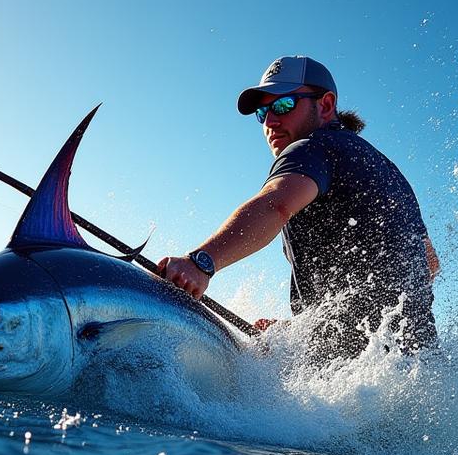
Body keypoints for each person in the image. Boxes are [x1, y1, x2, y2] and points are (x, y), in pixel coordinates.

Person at [157, 55, 439, 360]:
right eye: (263, 112)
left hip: (354, 375)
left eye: (283, 105)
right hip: (419, 364)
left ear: (326, 105)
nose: (270, 121)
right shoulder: (386, 170)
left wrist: (201, 264)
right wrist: (306, 330)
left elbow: (276, 205)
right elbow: (428, 263)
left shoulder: (311, 147)